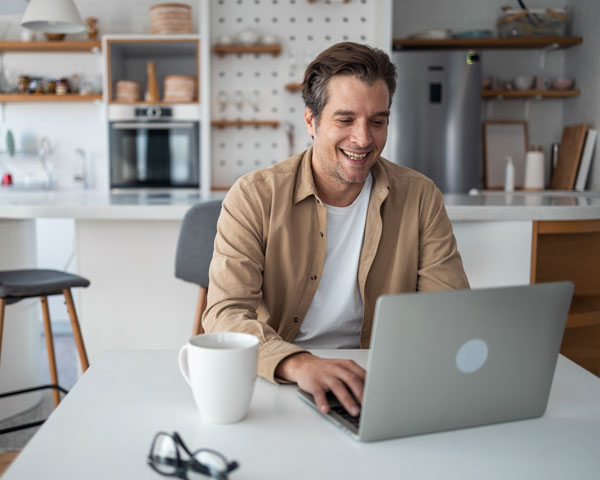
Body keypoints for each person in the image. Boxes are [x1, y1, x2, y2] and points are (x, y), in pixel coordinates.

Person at [203, 42, 469, 418]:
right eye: (345, 120)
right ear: (311, 121)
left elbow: (449, 312)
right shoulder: (254, 196)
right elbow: (226, 314)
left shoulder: (420, 196)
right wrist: (300, 364)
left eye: (377, 121)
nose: (363, 139)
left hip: (380, 381)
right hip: (282, 380)